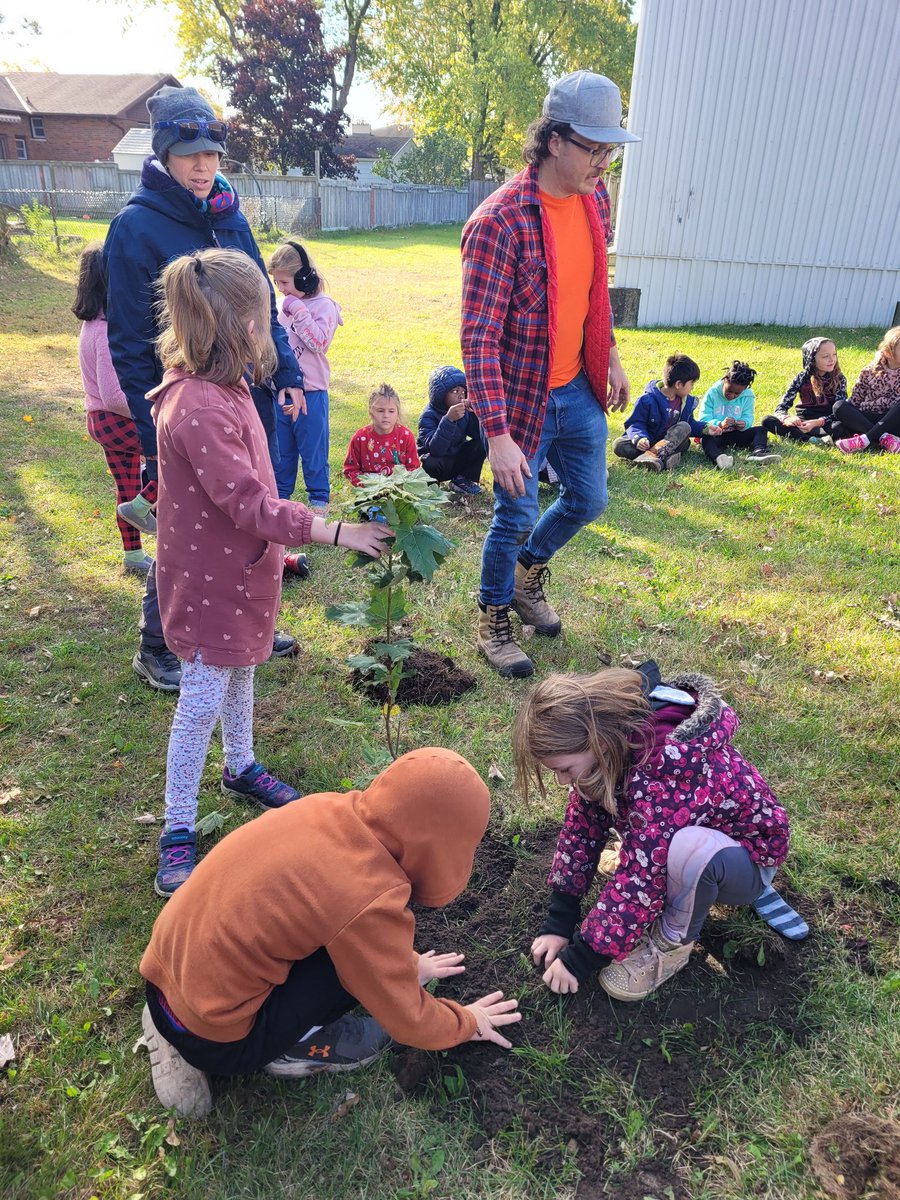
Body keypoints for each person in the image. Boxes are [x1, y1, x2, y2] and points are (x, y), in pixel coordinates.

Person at [149, 249, 392, 896]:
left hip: (242, 573)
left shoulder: (225, 388)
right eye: (264, 320)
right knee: (200, 701)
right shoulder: (199, 406)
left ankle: (242, 765)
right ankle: (177, 828)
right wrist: (335, 530)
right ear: (244, 329)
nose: (270, 332)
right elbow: (249, 503)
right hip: (209, 585)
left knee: (242, 670)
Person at [138, 748, 522, 1117]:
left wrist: (409, 963)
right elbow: (407, 1019)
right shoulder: (369, 898)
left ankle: (166, 1025)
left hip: (162, 973)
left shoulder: (326, 809)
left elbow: (322, 905)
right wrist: (468, 1021)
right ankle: (294, 1048)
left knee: (341, 942)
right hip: (218, 1040)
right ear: (441, 846)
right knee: (349, 975)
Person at [104, 85, 306, 693]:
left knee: (247, 509)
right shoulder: (135, 229)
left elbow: (262, 306)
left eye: (212, 153)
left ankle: (247, 629)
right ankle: (157, 644)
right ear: (163, 153)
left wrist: (287, 372)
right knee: (186, 526)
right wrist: (155, 429)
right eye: (190, 153)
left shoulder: (230, 216)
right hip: (184, 410)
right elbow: (131, 343)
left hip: (245, 399)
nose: (203, 166)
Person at [461, 70, 637, 679]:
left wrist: (609, 353)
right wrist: (499, 433)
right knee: (513, 512)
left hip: (578, 387)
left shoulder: (596, 201)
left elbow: (595, 290)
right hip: (522, 401)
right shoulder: (499, 223)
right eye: (595, 148)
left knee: (588, 498)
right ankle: (493, 618)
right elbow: (478, 337)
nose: (604, 162)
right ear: (555, 140)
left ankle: (526, 576)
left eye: (610, 148)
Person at [514, 662, 807, 1003]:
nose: (562, 779)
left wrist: (581, 959)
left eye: (564, 769)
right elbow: (580, 834)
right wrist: (558, 923)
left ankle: (672, 943)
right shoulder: (607, 754)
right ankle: (682, 882)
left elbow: (642, 877)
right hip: (694, 840)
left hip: (747, 861)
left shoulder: (663, 770)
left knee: (685, 850)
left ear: (598, 742)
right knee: (655, 841)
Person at [74, 242, 155, 575]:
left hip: (100, 420)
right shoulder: (107, 331)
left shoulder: (92, 324)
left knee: (125, 484)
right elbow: (114, 396)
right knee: (178, 453)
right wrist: (153, 408)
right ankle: (142, 504)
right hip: (114, 418)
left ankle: (133, 557)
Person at [268, 240, 342, 511]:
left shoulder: (325, 306)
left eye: (285, 282)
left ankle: (319, 502)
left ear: (303, 276)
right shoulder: (280, 304)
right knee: (281, 452)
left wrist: (298, 311)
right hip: (282, 392)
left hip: (312, 393)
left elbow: (319, 343)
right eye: (277, 284)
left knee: (313, 452)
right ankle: (280, 501)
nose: (281, 289)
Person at [612, 353, 704, 472]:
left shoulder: (686, 402)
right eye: (691, 383)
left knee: (684, 427)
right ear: (678, 384)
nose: (692, 388)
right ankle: (662, 459)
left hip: (669, 442)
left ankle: (653, 457)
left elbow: (690, 424)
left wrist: (706, 428)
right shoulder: (647, 400)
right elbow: (636, 423)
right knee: (619, 444)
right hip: (649, 440)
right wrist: (640, 438)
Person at [695, 361, 781, 469]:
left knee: (761, 430)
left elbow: (748, 415)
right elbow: (703, 418)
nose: (732, 396)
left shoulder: (748, 396)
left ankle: (759, 452)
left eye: (737, 394)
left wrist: (744, 423)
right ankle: (719, 458)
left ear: (744, 389)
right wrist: (720, 424)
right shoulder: (712, 393)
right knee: (706, 437)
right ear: (725, 380)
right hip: (717, 434)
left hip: (736, 434)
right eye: (729, 391)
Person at [416, 365, 486, 495]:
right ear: (440, 394)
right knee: (430, 462)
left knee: (482, 442)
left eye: (463, 391)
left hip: (455, 457)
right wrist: (448, 420)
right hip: (437, 462)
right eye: (454, 391)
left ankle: (462, 479)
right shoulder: (428, 416)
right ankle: (430, 484)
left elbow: (477, 434)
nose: (460, 395)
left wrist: (475, 413)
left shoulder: (463, 411)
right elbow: (436, 449)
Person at [762, 337, 846, 444]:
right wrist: (786, 419)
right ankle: (812, 438)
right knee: (767, 420)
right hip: (802, 422)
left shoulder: (839, 379)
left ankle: (799, 435)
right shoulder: (801, 378)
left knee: (840, 426)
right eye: (826, 356)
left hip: (825, 422)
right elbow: (781, 407)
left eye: (834, 354)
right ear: (811, 359)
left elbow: (839, 411)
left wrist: (818, 422)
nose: (832, 359)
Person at [833, 326, 900, 454]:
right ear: (888, 352)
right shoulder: (869, 371)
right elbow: (854, 401)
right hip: (868, 417)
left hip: (892, 420)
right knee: (839, 407)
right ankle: (883, 438)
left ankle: (866, 438)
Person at [343, 383, 420, 486]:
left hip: (399, 489)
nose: (386, 416)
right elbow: (350, 469)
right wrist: (365, 486)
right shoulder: (360, 438)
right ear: (370, 412)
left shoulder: (406, 436)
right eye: (380, 411)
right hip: (369, 489)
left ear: (398, 413)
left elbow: (413, 467)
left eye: (391, 411)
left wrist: (402, 486)